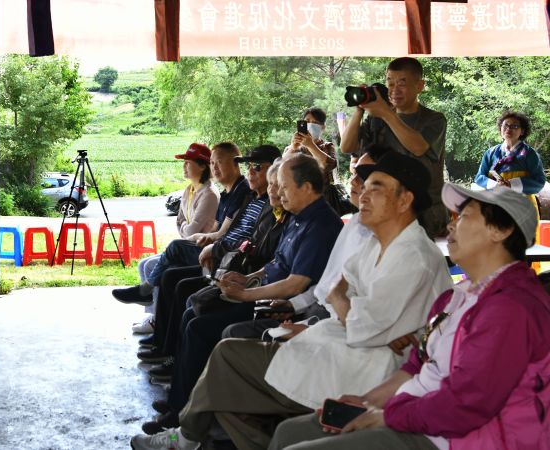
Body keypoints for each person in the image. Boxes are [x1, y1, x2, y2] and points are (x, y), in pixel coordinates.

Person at [130, 152, 452, 450]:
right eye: (364, 186)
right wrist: (330, 310)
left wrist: (337, 302)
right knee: (221, 368)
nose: (363, 195)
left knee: (226, 357)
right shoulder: (374, 240)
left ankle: (188, 436)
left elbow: (355, 318)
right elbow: (337, 300)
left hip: (361, 366)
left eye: (375, 188)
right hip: (332, 341)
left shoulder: (413, 257)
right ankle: (193, 433)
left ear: (405, 200)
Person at [271, 183, 550, 450]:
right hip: (414, 414)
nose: (451, 225)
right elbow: (416, 366)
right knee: (289, 432)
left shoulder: (511, 309)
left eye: (464, 216)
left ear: (500, 231)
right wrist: (366, 402)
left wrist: (388, 416)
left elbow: (467, 404)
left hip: (457, 438)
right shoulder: (456, 297)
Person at [141, 154, 343, 434]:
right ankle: (180, 399)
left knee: (200, 327)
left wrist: (245, 294)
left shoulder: (320, 225)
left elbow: (295, 284)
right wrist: (246, 279)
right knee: (192, 312)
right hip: (263, 293)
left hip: (282, 307)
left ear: (306, 187)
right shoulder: (298, 218)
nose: (279, 192)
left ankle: (183, 416)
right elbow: (276, 264)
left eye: (284, 186)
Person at [223, 145, 392, 340]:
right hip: (302, 309)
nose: (277, 192)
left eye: (364, 178)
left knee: (228, 333)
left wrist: (246, 294)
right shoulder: (352, 225)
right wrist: (292, 305)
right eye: (354, 174)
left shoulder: (324, 225)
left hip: (328, 325)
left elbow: (301, 286)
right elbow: (325, 286)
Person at [136, 146, 279, 365]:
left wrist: (215, 247)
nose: (250, 171)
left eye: (257, 167)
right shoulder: (249, 197)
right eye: (249, 166)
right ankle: (164, 346)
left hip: (235, 267)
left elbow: (251, 246)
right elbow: (220, 231)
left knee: (176, 268)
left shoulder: (267, 205)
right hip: (224, 258)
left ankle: (171, 354)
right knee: (171, 275)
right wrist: (213, 244)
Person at [114, 143, 251, 306]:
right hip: (211, 246)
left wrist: (195, 236)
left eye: (219, 162)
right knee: (162, 267)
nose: (214, 167)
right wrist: (195, 234)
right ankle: (150, 305)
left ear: (236, 163)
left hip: (222, 253)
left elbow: (219, 233)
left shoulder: (235, 192)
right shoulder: (221, 193)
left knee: (173, 251)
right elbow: (196, 225)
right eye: (212, 163)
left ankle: (145, 292)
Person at [340, 57, 449, 238]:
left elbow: (418, 147)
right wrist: (359, 110)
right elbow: (346, 147)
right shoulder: (377, 119)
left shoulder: (434, 119)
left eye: (402, 83)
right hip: (385, 208)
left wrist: (386, 113)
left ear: (420, 86)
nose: (394, 90)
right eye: (390, 83)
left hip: (424, 212)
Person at [130, 143, 219, 332]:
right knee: (143, 264)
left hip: (197, 249)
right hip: (185, 243)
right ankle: (153, 316)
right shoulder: (189, 190)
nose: (184, 166)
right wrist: (186, 228)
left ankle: (157, 320)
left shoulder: (209, 194)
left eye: (188, 162)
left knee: (152, 266)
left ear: (202, 166)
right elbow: (180, 223)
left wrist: (186, 228)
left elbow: (190, 229)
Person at [285, 107, 350, 216]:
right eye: (307, 121)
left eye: (315, 122)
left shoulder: (327, 146)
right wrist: (293, 147)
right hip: (297, 200)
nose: (310, 125)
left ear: (323, 127)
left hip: (322, 201)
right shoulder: (293, 147)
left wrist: (310, 145)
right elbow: (280, 169)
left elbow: (328, 165)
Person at [474, 111, 545, 193]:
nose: (508, 129)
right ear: (500, 128)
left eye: (514, 126)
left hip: (522, 199)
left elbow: (539, 182)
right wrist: (496, 185)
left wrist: (511, 184)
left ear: (522, 131)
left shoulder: (529, 154)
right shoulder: (490, 153)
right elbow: (479, 177)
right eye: (505, 125)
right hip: (495, 198)